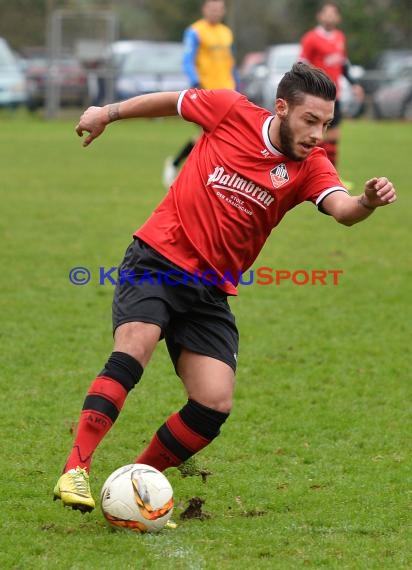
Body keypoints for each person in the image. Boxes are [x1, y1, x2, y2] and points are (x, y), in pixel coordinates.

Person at [53, 62, 396, 514]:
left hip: (210, 291)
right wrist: (109, 112)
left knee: (213, 402)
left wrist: (367, 202)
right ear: (282, 108)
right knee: (137, 343)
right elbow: (172, 101)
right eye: (310, 120)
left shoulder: (312, 167)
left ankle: (133, 483)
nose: (318, 133)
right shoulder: (230, 110)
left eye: (327, 123)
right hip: (158, 259)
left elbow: (343, 210)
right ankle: (75, 468)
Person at [162, 0, 238, 188]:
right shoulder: (195, 31)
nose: (216, 12)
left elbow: (230, 63)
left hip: (228, 92)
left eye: (220, 9)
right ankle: (190, 170)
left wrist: (237, 85)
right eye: (212, 8)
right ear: (204, 9)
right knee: (213, 133)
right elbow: (187, 60)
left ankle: (183, 167)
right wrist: (196, 83)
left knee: (214, 134)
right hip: (208, 92)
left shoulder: (226, 33)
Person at [299, 1, 364, 169]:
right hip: (317, 97)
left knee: (334, 137)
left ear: (338, 17)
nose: (329, 17)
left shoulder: (340, 37)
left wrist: (354, 84)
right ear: (319, 16)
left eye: (333, 13)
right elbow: (302, 66)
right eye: (326, 13)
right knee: (317, 137)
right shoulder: (311, 38)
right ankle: (314, 174)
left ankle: (331, 176)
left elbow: (343, 64)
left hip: (336, 96)